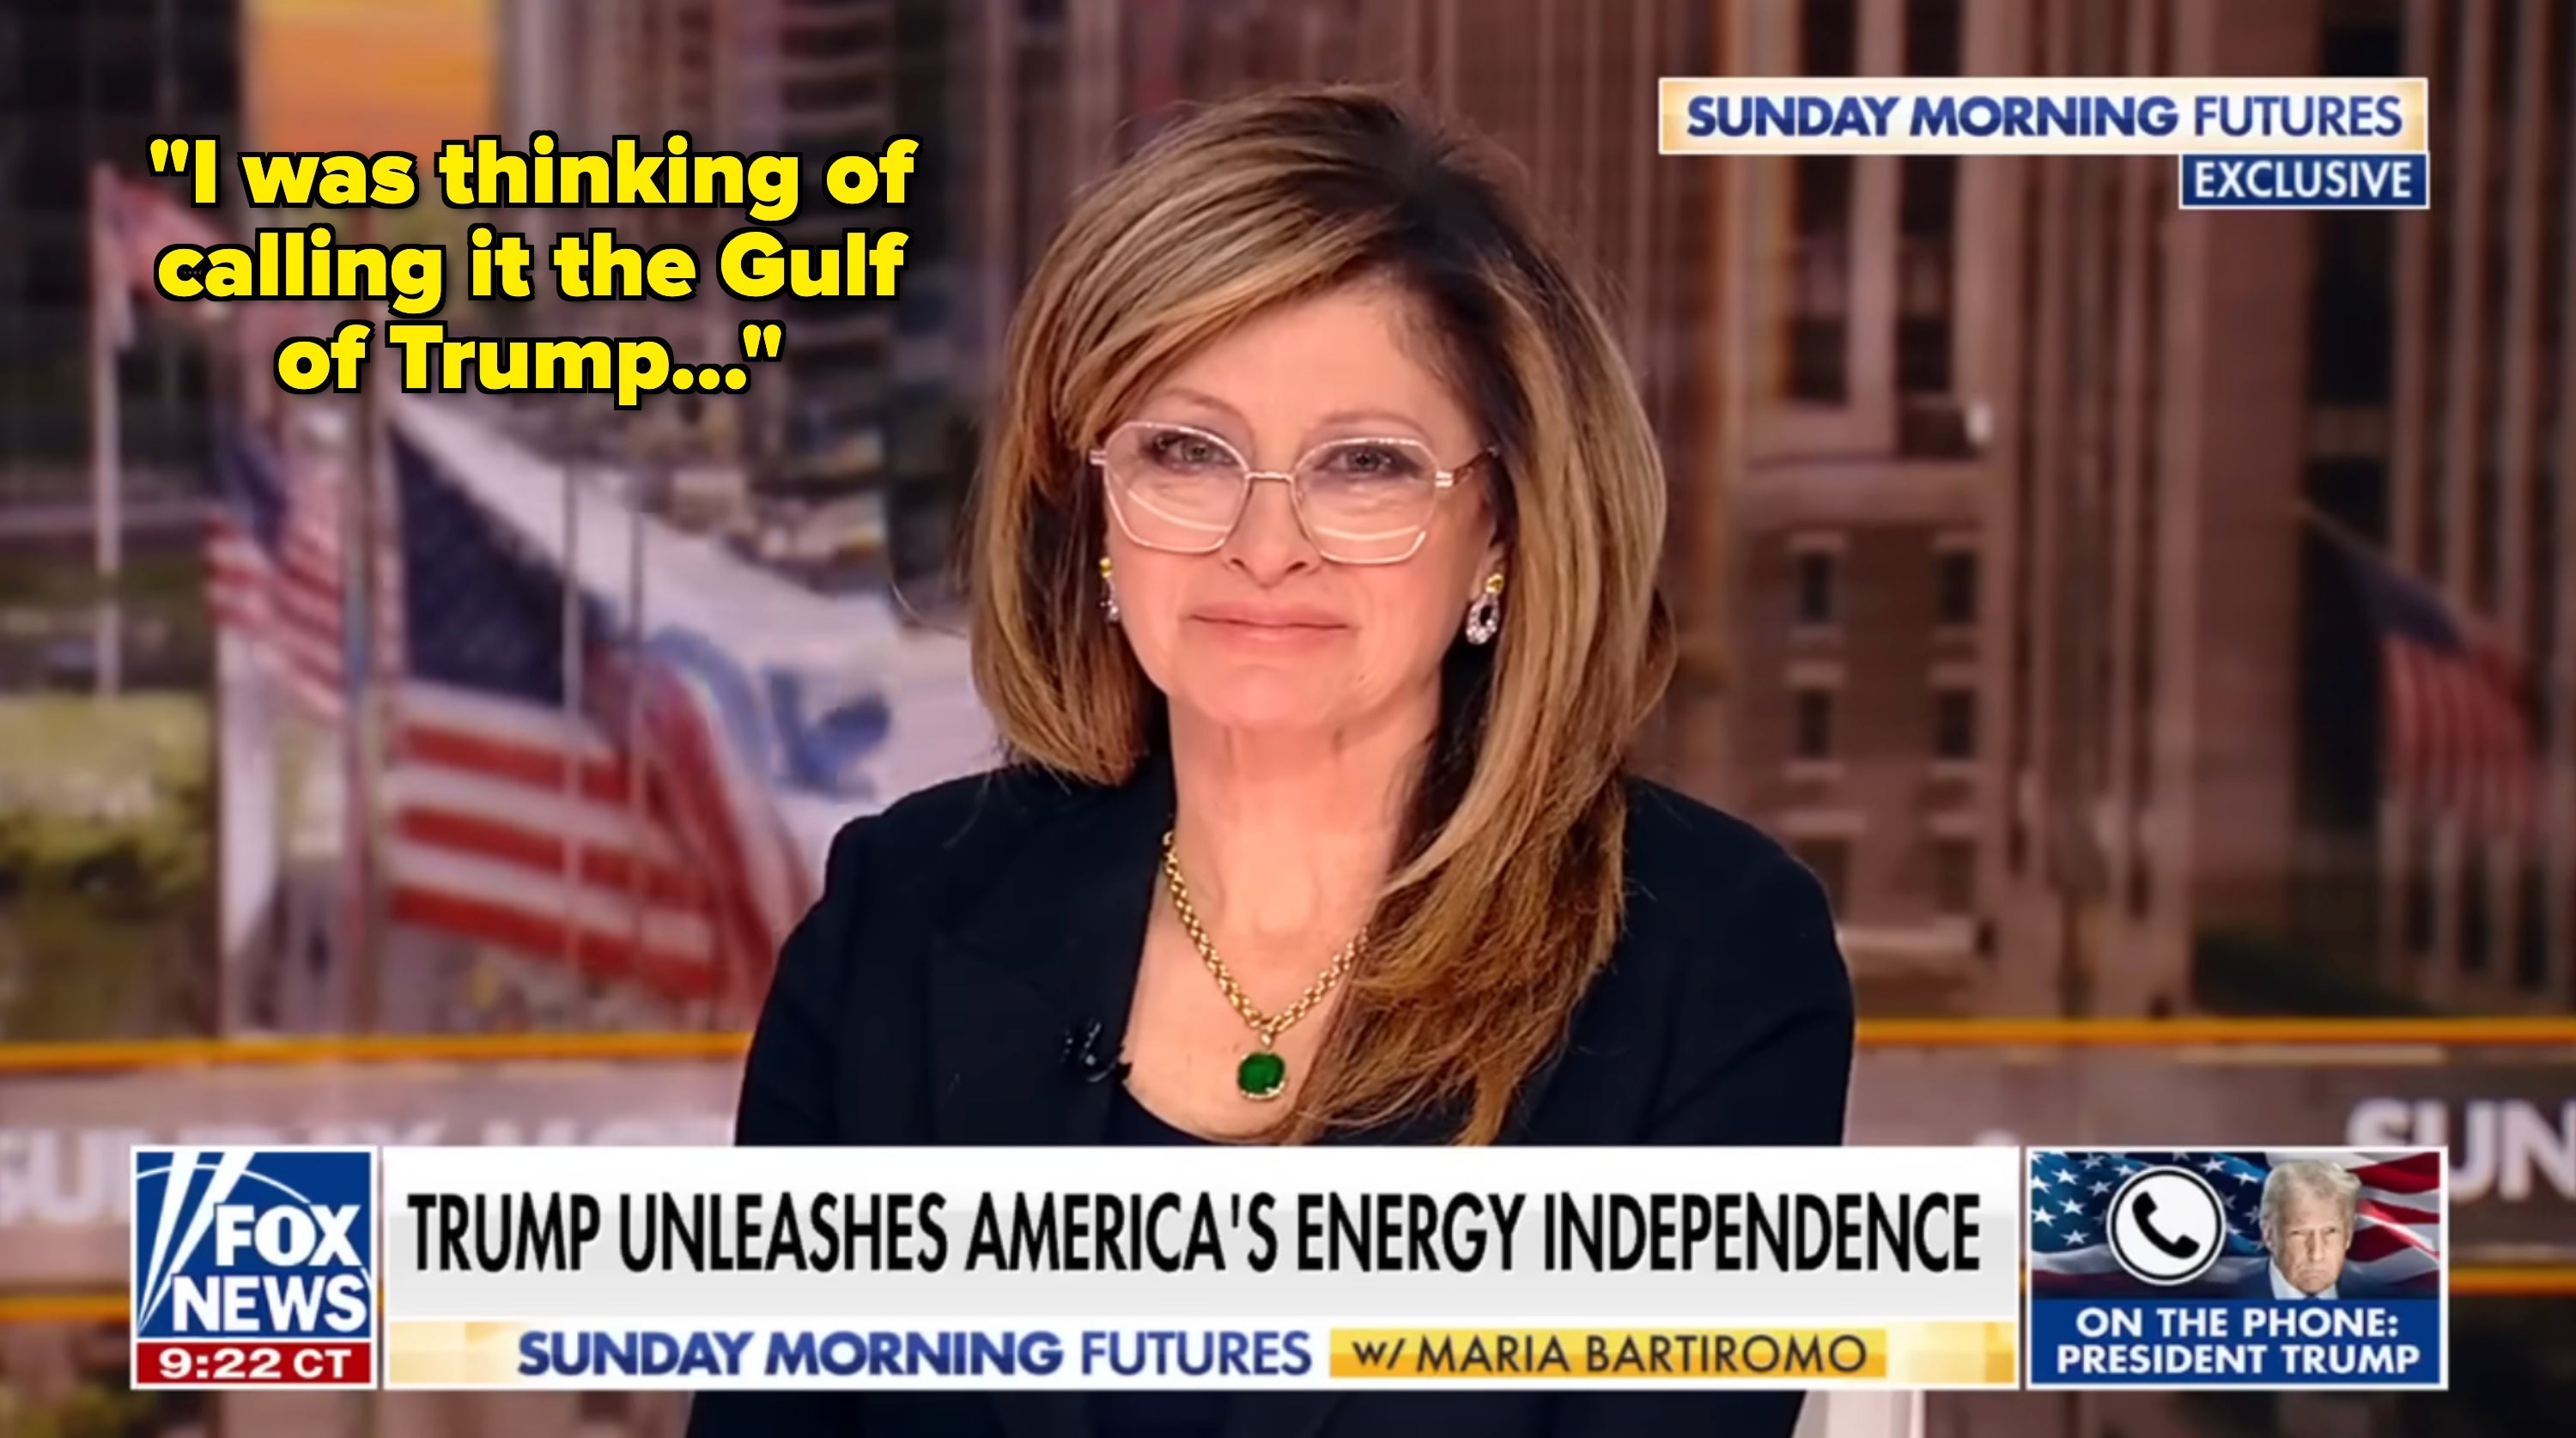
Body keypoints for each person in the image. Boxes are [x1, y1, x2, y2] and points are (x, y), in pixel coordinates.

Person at [688, 86, 1854, 1438]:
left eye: (1365, 464)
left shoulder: (1710, 954)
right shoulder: (900, 907)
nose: (1264, 545)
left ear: (1502, 528)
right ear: (1092, 501)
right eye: (1188, 451)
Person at [2258, 1159, 2360, 1300]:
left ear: (2348, 1234)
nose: (2316, 1255)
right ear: (2268, 1235)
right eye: (2299, 1233)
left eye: (2330, 1231)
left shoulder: (2381, 1297)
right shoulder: (2229, 1295)